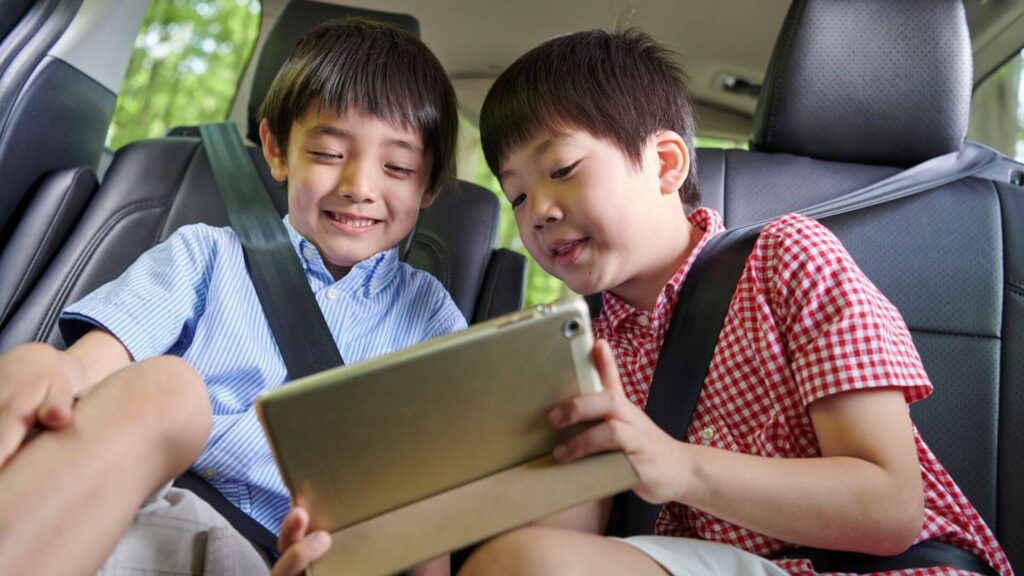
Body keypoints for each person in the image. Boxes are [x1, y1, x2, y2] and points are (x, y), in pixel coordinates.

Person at [458, 28, 1012, 576]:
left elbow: (890, 509)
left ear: (666, 164)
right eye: (519, 195)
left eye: (562, 171)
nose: (539, 212)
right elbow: (562, 545)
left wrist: (678, 466)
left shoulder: (788, 258)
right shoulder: (586, 352)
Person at [0, 18, 462, 576]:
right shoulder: (205, 256)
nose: (360, 186)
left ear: (428, 184)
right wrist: (46, 370)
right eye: (327, 153)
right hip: (127, 503)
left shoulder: (433, 320)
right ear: (276, 150)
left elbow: (431, 511)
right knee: (168, 387)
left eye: (398, 167)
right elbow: (89, 370)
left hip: (278, 558)